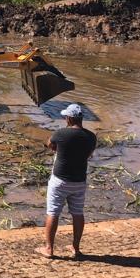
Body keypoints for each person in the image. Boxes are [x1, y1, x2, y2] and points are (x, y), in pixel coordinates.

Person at [37, 103, 96, 259]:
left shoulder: (61, 133)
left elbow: (50, 144)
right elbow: (88, 155)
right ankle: (75, 248)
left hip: (60, 180)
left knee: (53, 212)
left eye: (65, 117)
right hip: (79, 181)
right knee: (78, 213)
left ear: (69, 118)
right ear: (81, 119)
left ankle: (49, 249)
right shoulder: (91, 137)